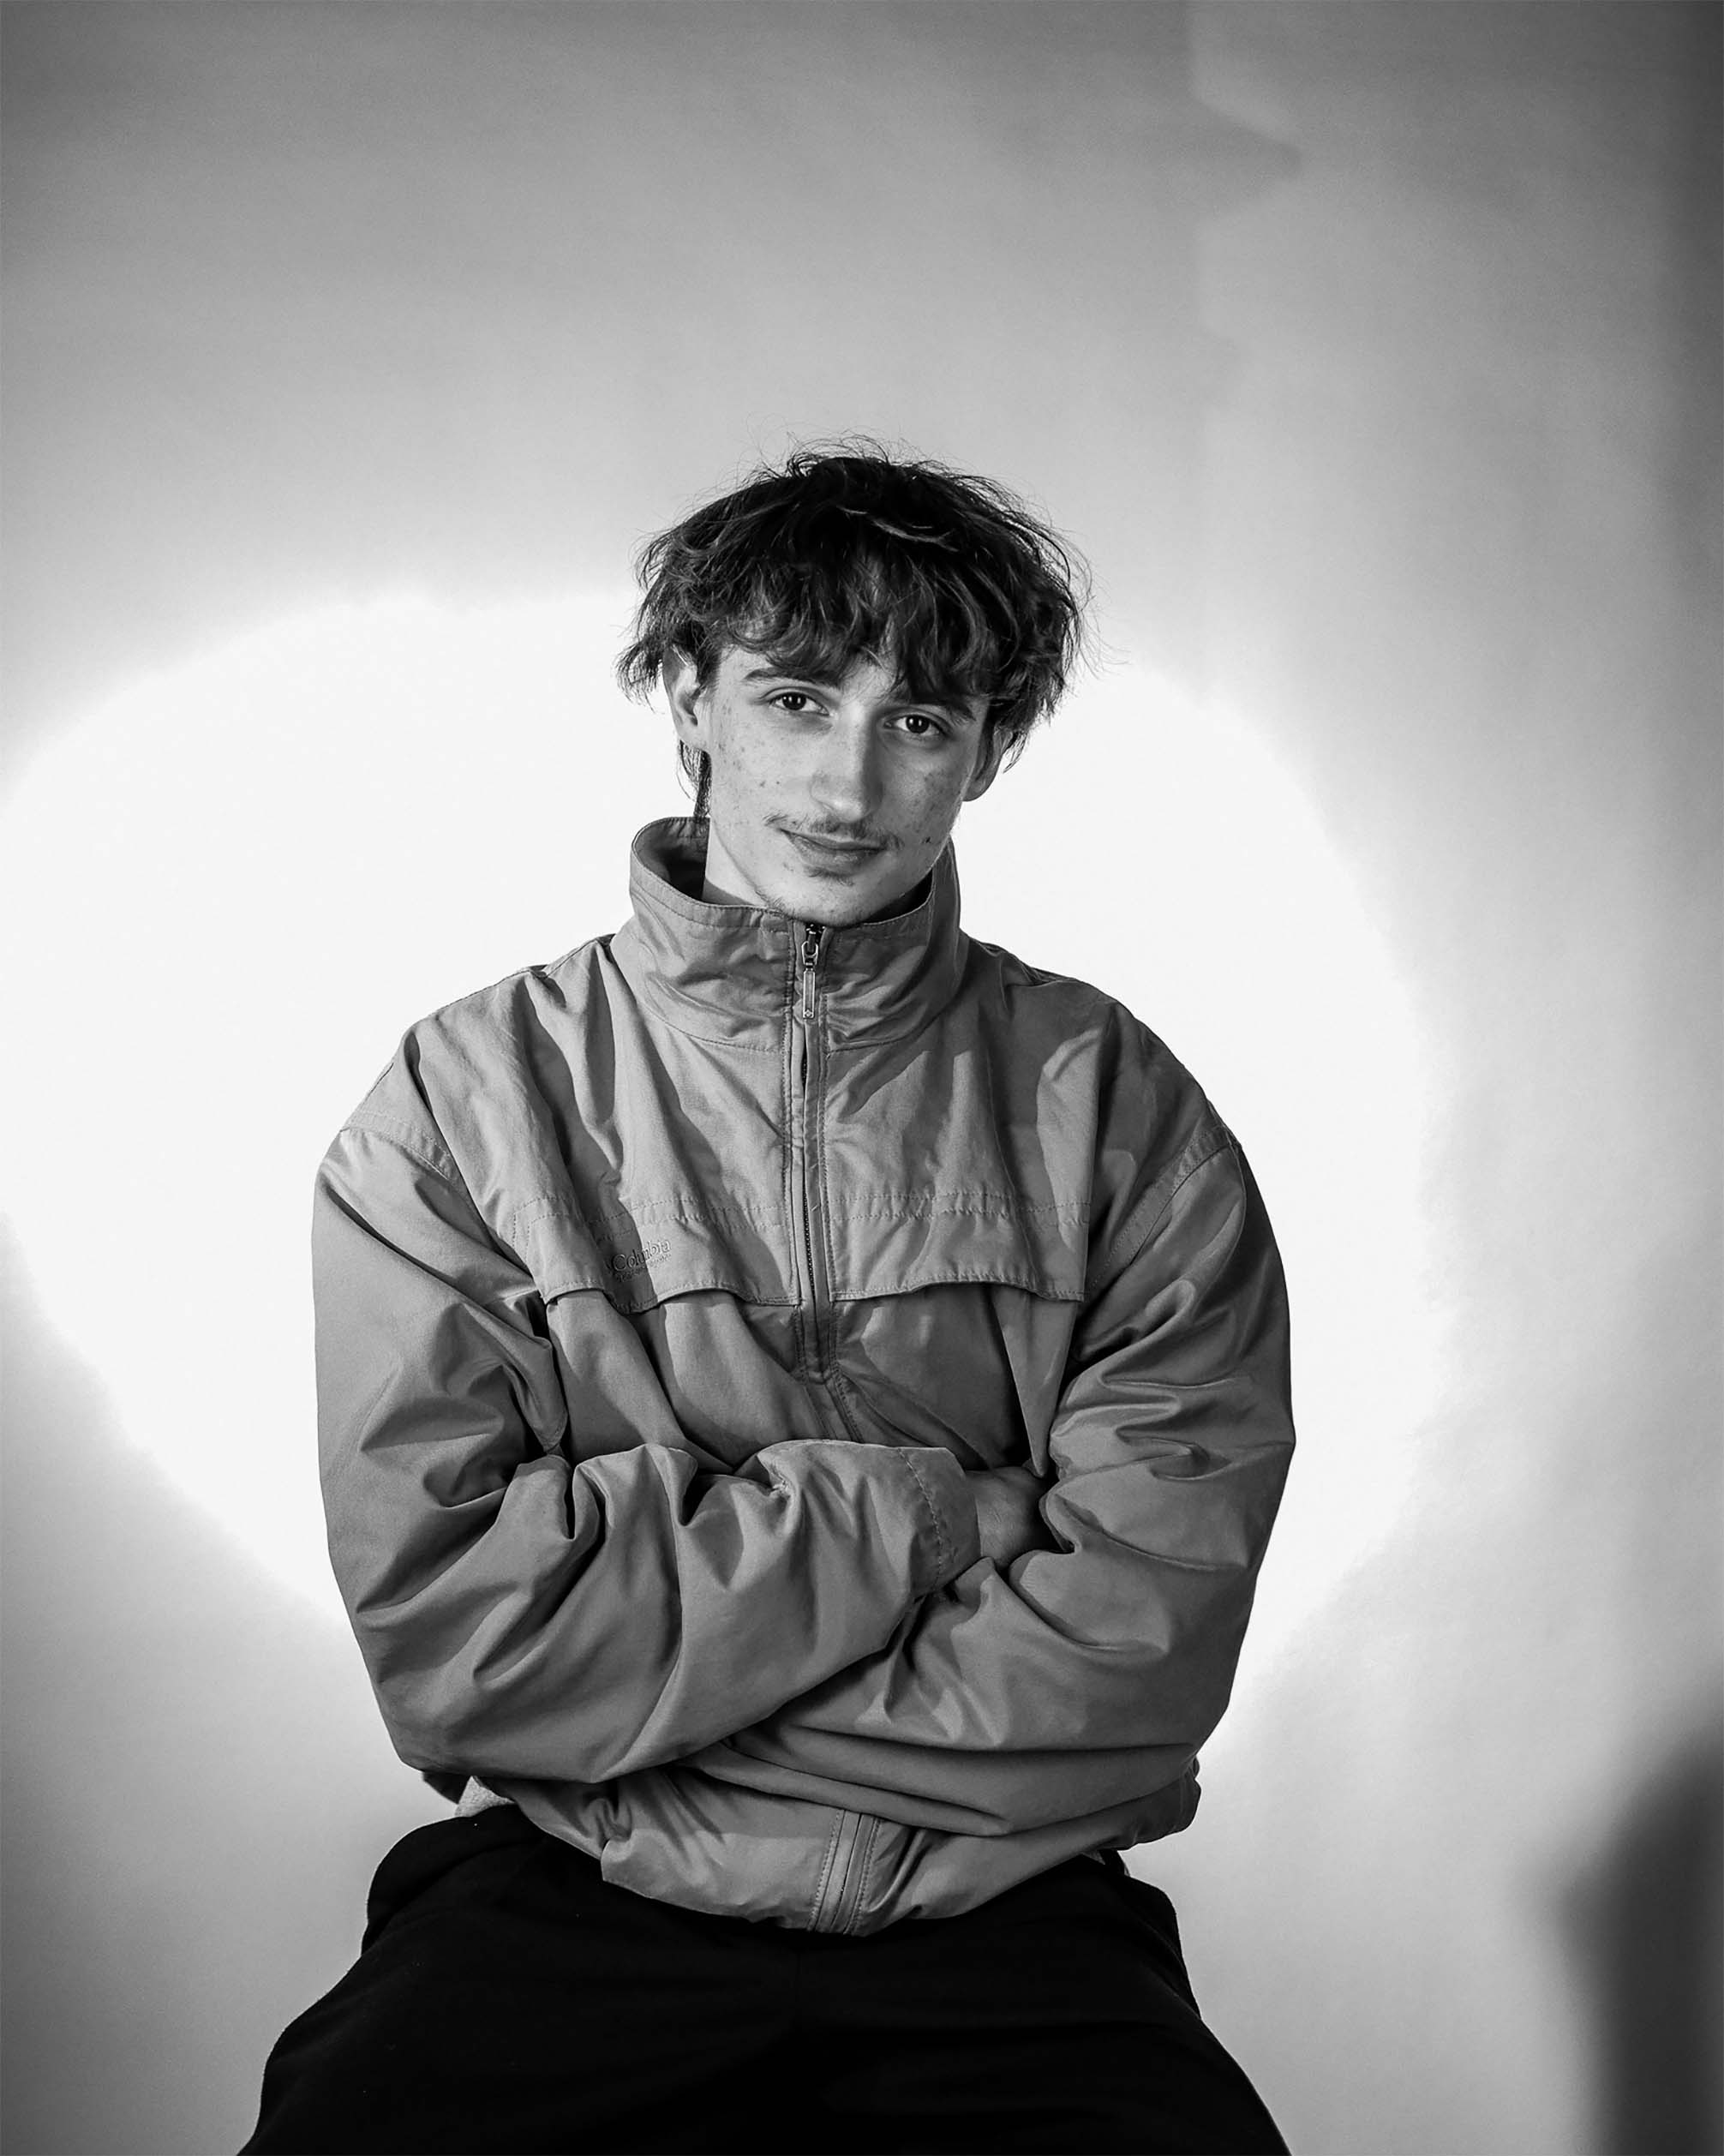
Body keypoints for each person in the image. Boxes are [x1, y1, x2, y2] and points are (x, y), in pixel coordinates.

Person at [242, 446, 1295, 2154]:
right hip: (587, 1884)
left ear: (985, 754)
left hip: (997, 1912)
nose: (847, 778)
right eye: (797, 697)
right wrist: (936, 1515)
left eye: (919, 721)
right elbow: (461, 1640)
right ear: (691, 697)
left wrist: (662, 1698)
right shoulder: (463, 1100)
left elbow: (1143, 1650)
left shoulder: (1117, 1105)